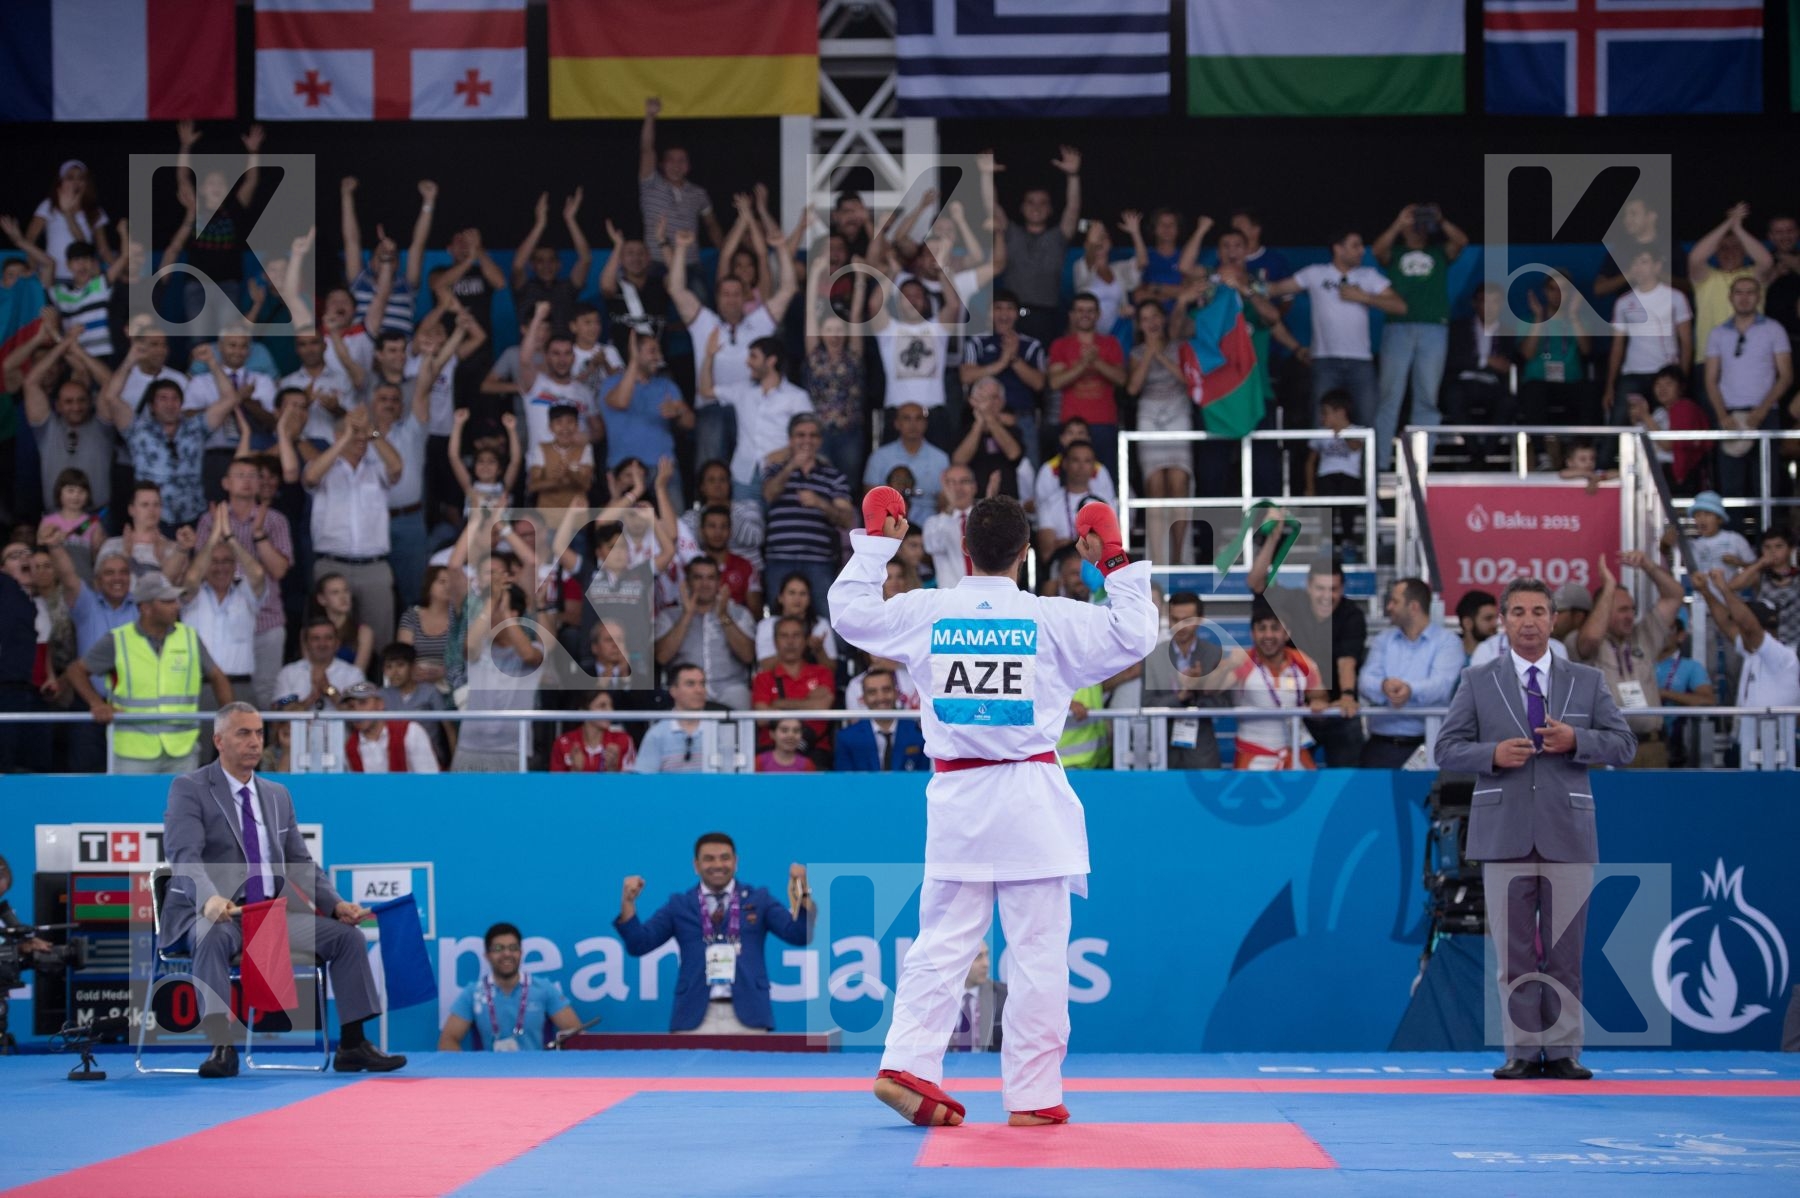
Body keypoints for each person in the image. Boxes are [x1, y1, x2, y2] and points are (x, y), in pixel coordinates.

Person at [829, 488, 1156, 1128]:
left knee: (943, 943)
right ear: (1026, 553)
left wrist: (877, 547)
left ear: (964, 549)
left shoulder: (928, 611)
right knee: (1038, 954)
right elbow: (1137, 633)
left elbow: (850, 613)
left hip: (959, 798)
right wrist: (1111, 558)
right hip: (1032, 801)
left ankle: (907, 1063)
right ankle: (1033, 1097)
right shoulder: (1052, 618)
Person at [1435, 578, 1636, 1081]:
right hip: (1504, 830)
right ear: (1503, 621)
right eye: (1519, 612)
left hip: (1567, 829)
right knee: (1515, 953)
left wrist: (1577, 740)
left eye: (1539, 612)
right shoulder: (1477, 680)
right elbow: (1446, 749)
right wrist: (1492, 754)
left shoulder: (1586, 680)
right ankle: (1522, 1051)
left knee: (1566, 952)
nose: (1529, 621)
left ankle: (1564, 1050)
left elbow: (1624, 744)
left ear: (1553, 619)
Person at [161, 703, 406, 1077]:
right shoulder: (190, 788)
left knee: (348, 938)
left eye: (259, 733)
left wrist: (335, 904)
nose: (254, 742)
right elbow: (183, 855)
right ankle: (221, 1046)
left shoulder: (277, 794)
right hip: (216, 915)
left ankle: (353, 1045)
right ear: (219, 741)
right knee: (210, 936)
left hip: (267, 916)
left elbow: (300, 862)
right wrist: (209, 897)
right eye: (244, 733)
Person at [613, 832, 814, 1033]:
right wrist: (628, 901)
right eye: (709, 859)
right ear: (696, 865)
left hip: (750, 1016)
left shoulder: (759, 899)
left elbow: (799, 935)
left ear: (736, 862)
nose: (718, 865)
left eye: (725, 858)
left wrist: (803, 890)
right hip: (693, 1017)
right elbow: (639, 944)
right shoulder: (680, 905)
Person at [64, 572, 231, 775]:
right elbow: (75, 671)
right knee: (133, 798)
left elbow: (217, 676)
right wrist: (96, 703)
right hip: (133, 751)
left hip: (182, 749)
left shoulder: (189, 637)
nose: (176, 606)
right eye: (167, 601)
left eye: (175, 600)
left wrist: (230, 720)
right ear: (146, 608)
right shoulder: (118, 639)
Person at [1569, 551, 1683, 768]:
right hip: (1604, 748)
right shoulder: (1579, 639)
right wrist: (1609, 587)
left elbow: (1674, 596)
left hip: (1650, 747)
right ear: (1603, 609)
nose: (1630, 615)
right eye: (1622, 610)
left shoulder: (1644, 635)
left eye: (1632, 609)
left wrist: (1648, 566)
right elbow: (1590, 639)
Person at [1693, 570, 1800, 769]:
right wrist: (1706, 591)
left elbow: (1748, 627)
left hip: (1777, 750)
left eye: (1742, 624)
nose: (1739, 628)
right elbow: (1725, 624)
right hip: (1746, 743)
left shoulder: (1783, 657)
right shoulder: (1751, 650)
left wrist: (1724, 588)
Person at [1357, 578, 1465, 770]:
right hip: (1380, 746)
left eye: (1394, 601)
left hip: (1429, 746)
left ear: (1414, 607)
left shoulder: (1448, 642)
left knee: (1430, 792)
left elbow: (1442, 687)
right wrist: (1384, 686)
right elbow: (1365, 681)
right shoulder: (1383, 640)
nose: (1389, 607)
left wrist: (1410, 690)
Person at [439, 922, 582, 1051]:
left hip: (536, 1069)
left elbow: (577, 1035)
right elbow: (447, 1040)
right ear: (487, 955)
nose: (506, 954)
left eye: (513, 948)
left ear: (521, 953)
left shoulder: (543, 988)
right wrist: (470, 1070)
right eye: (498, 948)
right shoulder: (473, 993)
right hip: (489, 1071)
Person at [1226, 599, 1329, 770]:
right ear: (1252, 634)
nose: (1268, 635)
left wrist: (1318, 702)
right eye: (1262, 628)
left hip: (1294, 752)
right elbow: (1210, 689)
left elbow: (1319, 694)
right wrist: (1226, 666)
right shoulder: (1242, 661)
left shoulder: (1302, 660)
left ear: (1287, 633)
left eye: (1275, 628)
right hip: (1253, 754)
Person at [653, 557, 756, 708]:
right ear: (688, 582)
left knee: (741, 697)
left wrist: (723, 615)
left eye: (710, 578)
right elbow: (662, 657)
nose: (705, 584)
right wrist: (687, 615)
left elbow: (748, 656)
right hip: (685, 689)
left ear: (719, 582)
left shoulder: (739, 613)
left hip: (730, 687)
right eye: (698, 578)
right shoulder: (669, 615)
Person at [835, 666, 927, 771]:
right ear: (863, 698)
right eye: (872, 692)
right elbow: (844, 780)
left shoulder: (919, 734)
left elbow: (925, 777)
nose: (881, 698)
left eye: (886, 690)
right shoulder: (847, 738)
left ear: (896, 693)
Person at [341, 681, 439, 774]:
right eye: (351, 706)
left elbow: (430, 778)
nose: (357, 711)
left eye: (363, 703)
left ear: (380, 704)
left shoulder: (411, 731)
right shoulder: (349, 746)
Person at [633, 662, 712, 774]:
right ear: (673, 691)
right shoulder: (657, 734)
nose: (699, 690)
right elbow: (644, 778)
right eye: (690, 684)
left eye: (702, 684)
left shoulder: (717, 731)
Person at [551, 690, 638, 773]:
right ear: (584, 711)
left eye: (611, 706)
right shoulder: (562, 743)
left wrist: (612, 770)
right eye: (602, 706)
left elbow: (632, 781)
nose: (610, 711)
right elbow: (554, 782)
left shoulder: (623, 740)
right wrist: (575, 772)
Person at [1457, 590, 1499, 664]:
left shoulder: (1502, 655)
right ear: (1467, 623)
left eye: (1496, 618)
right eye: (1488, 618)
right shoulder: (1446, 654)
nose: (1495, 624)